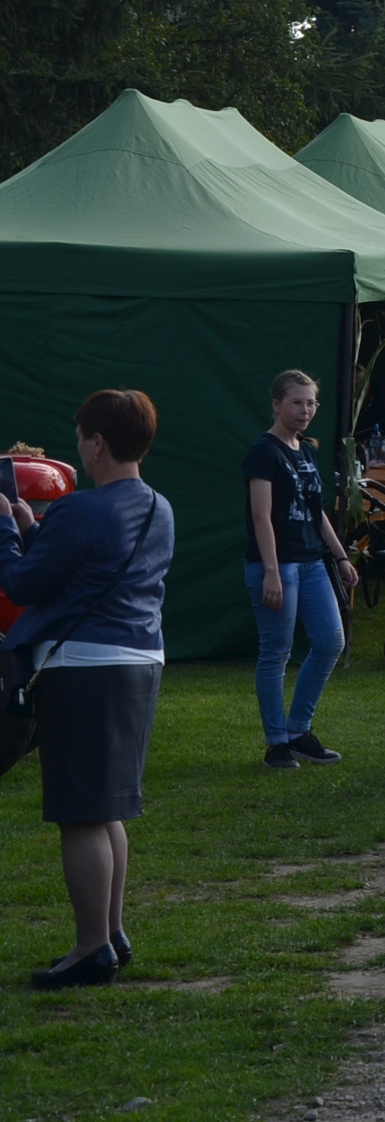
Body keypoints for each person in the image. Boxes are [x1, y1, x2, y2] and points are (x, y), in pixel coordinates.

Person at [0, 390, 172, 990]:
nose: (78, 445)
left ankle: (90, 946)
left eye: (80, 436)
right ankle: (112, 932)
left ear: (97, 442)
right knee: (109, 809)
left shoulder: (80, 510)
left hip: (84, 667)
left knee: (79, 814)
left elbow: (22, 583)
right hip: (141, 661)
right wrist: (34, 528)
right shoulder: (160, 507)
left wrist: (5, 529)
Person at [244, 371, 360, 770]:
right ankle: (277, 741)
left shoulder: (306, 450)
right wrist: (272, 572)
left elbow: (317, 511)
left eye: (311, 403)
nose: (305, 410)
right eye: (297, 402)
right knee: (276, 651)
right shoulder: (264, 451)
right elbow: (261, 516)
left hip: (312, 563)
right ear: (276, 404)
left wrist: (341, 556)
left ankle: (299, 730)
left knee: (331, 641)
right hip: (278, 564)